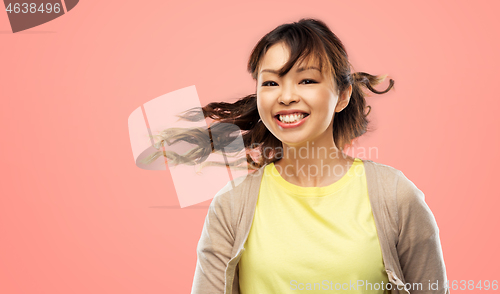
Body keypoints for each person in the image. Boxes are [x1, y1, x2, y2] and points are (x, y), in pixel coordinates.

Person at [145, 18, 448, 294]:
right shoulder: (232, 206)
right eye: (271, 82)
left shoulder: (394, 196)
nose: (286, 96)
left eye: (306, 80)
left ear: (342, 95)